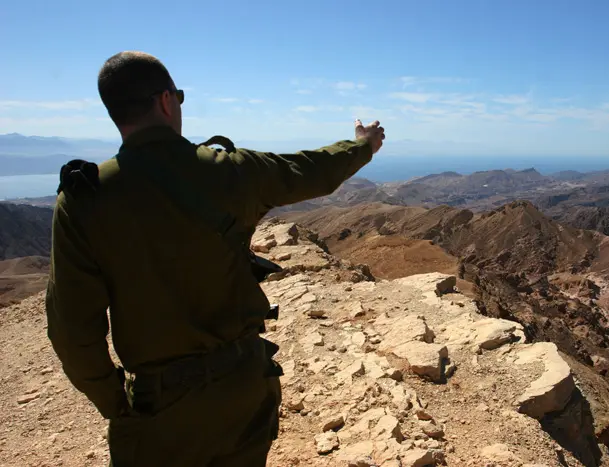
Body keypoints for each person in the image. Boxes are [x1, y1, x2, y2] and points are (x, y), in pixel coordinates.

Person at [44, 50, 385, 467]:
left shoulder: (84, 199)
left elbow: (72, 330)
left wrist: (114, 401)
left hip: (160, 409)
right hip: (242, 388)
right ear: (166, 100)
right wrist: (361, 145)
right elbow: (312, 169)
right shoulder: (229, 171)